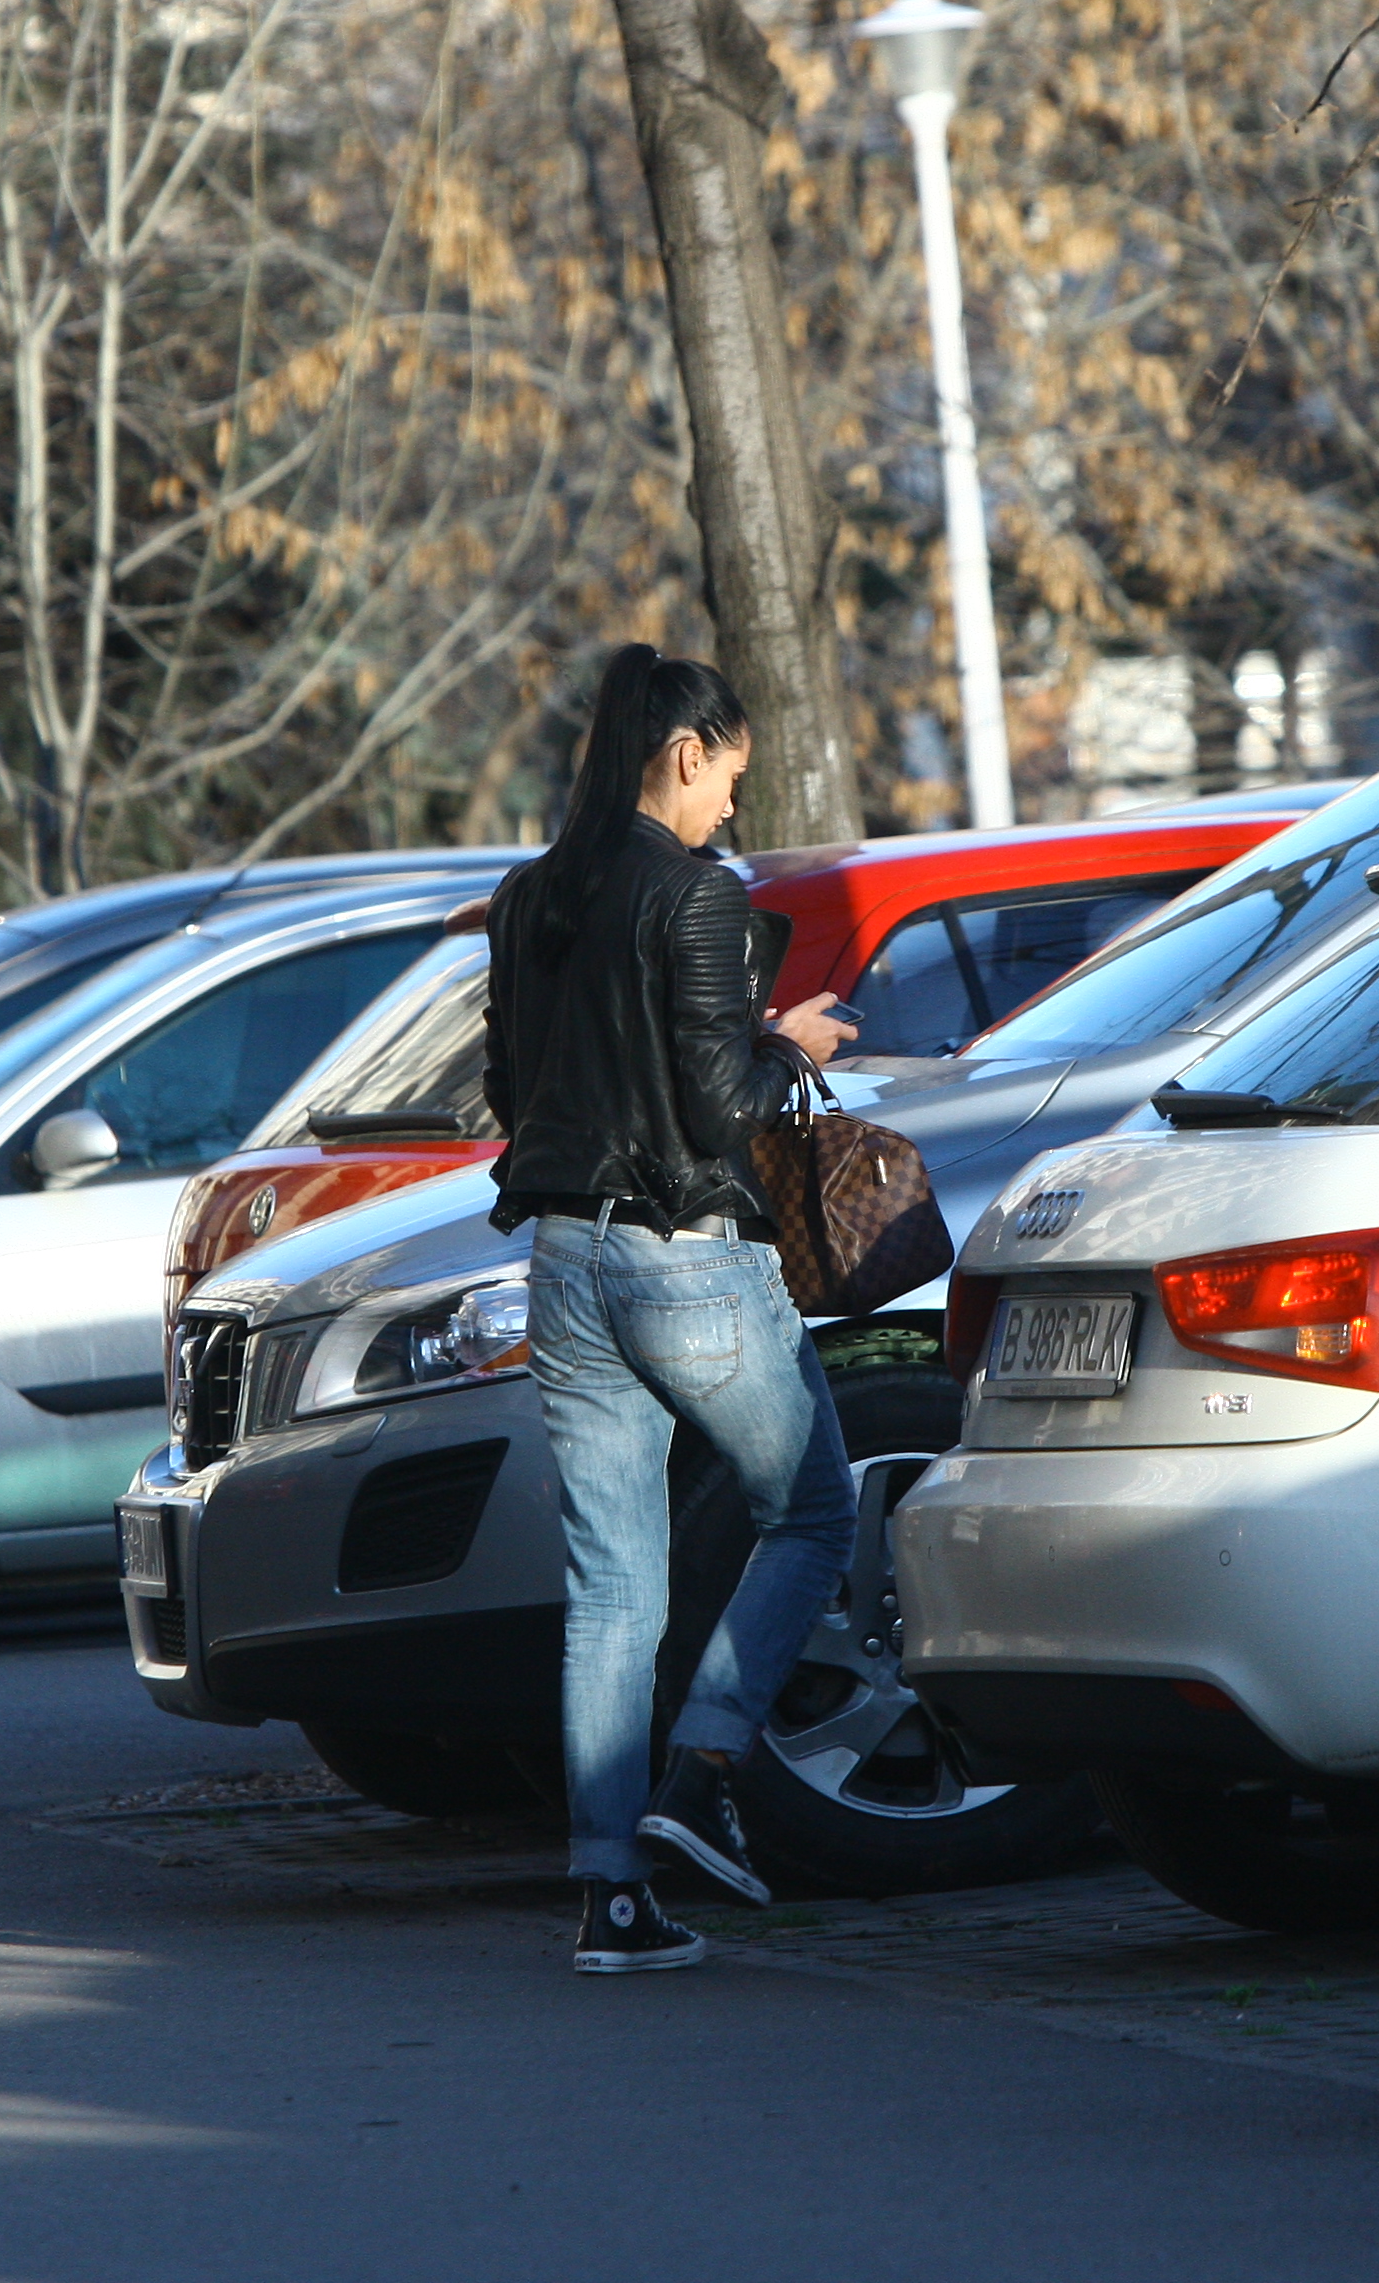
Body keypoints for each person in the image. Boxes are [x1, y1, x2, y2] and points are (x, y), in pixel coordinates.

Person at [480, 644, 861, 1974]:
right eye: (729, 785)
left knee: (608, 1594)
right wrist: (791, 1045)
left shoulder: (531, 898)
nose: (731, 817)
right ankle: (701, 1781)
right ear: (686, 753)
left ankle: (612, 1902)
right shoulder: (694, 898)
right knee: (814, 1507)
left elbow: (506, 1085)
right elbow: (723, 1107)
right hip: (685, 1261)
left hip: (565, 1261)